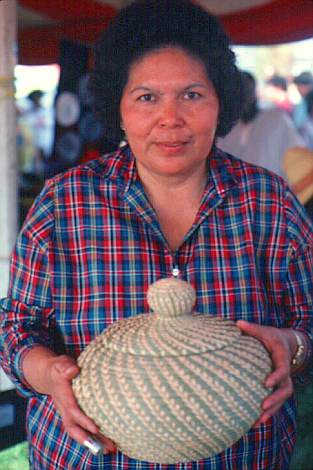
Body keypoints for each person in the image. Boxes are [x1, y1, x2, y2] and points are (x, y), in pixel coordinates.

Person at [0, 1, 313, 469]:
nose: (171, 118)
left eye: (192, 95)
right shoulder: (63, 204)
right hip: (89, 459)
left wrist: (293, 348)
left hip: (247, 455)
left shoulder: (268, 201)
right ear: (118, 108)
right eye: (147, 97)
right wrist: (51, 373)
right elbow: (15, 329)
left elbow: (308, 318)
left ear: (220, 101)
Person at [218, 71, 305, 181]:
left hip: (272, 191)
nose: (245, 97)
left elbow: (298, 156)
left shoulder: (276, 119)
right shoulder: (226, 126)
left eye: (248, 91)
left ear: (255, 92)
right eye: (239, 92)